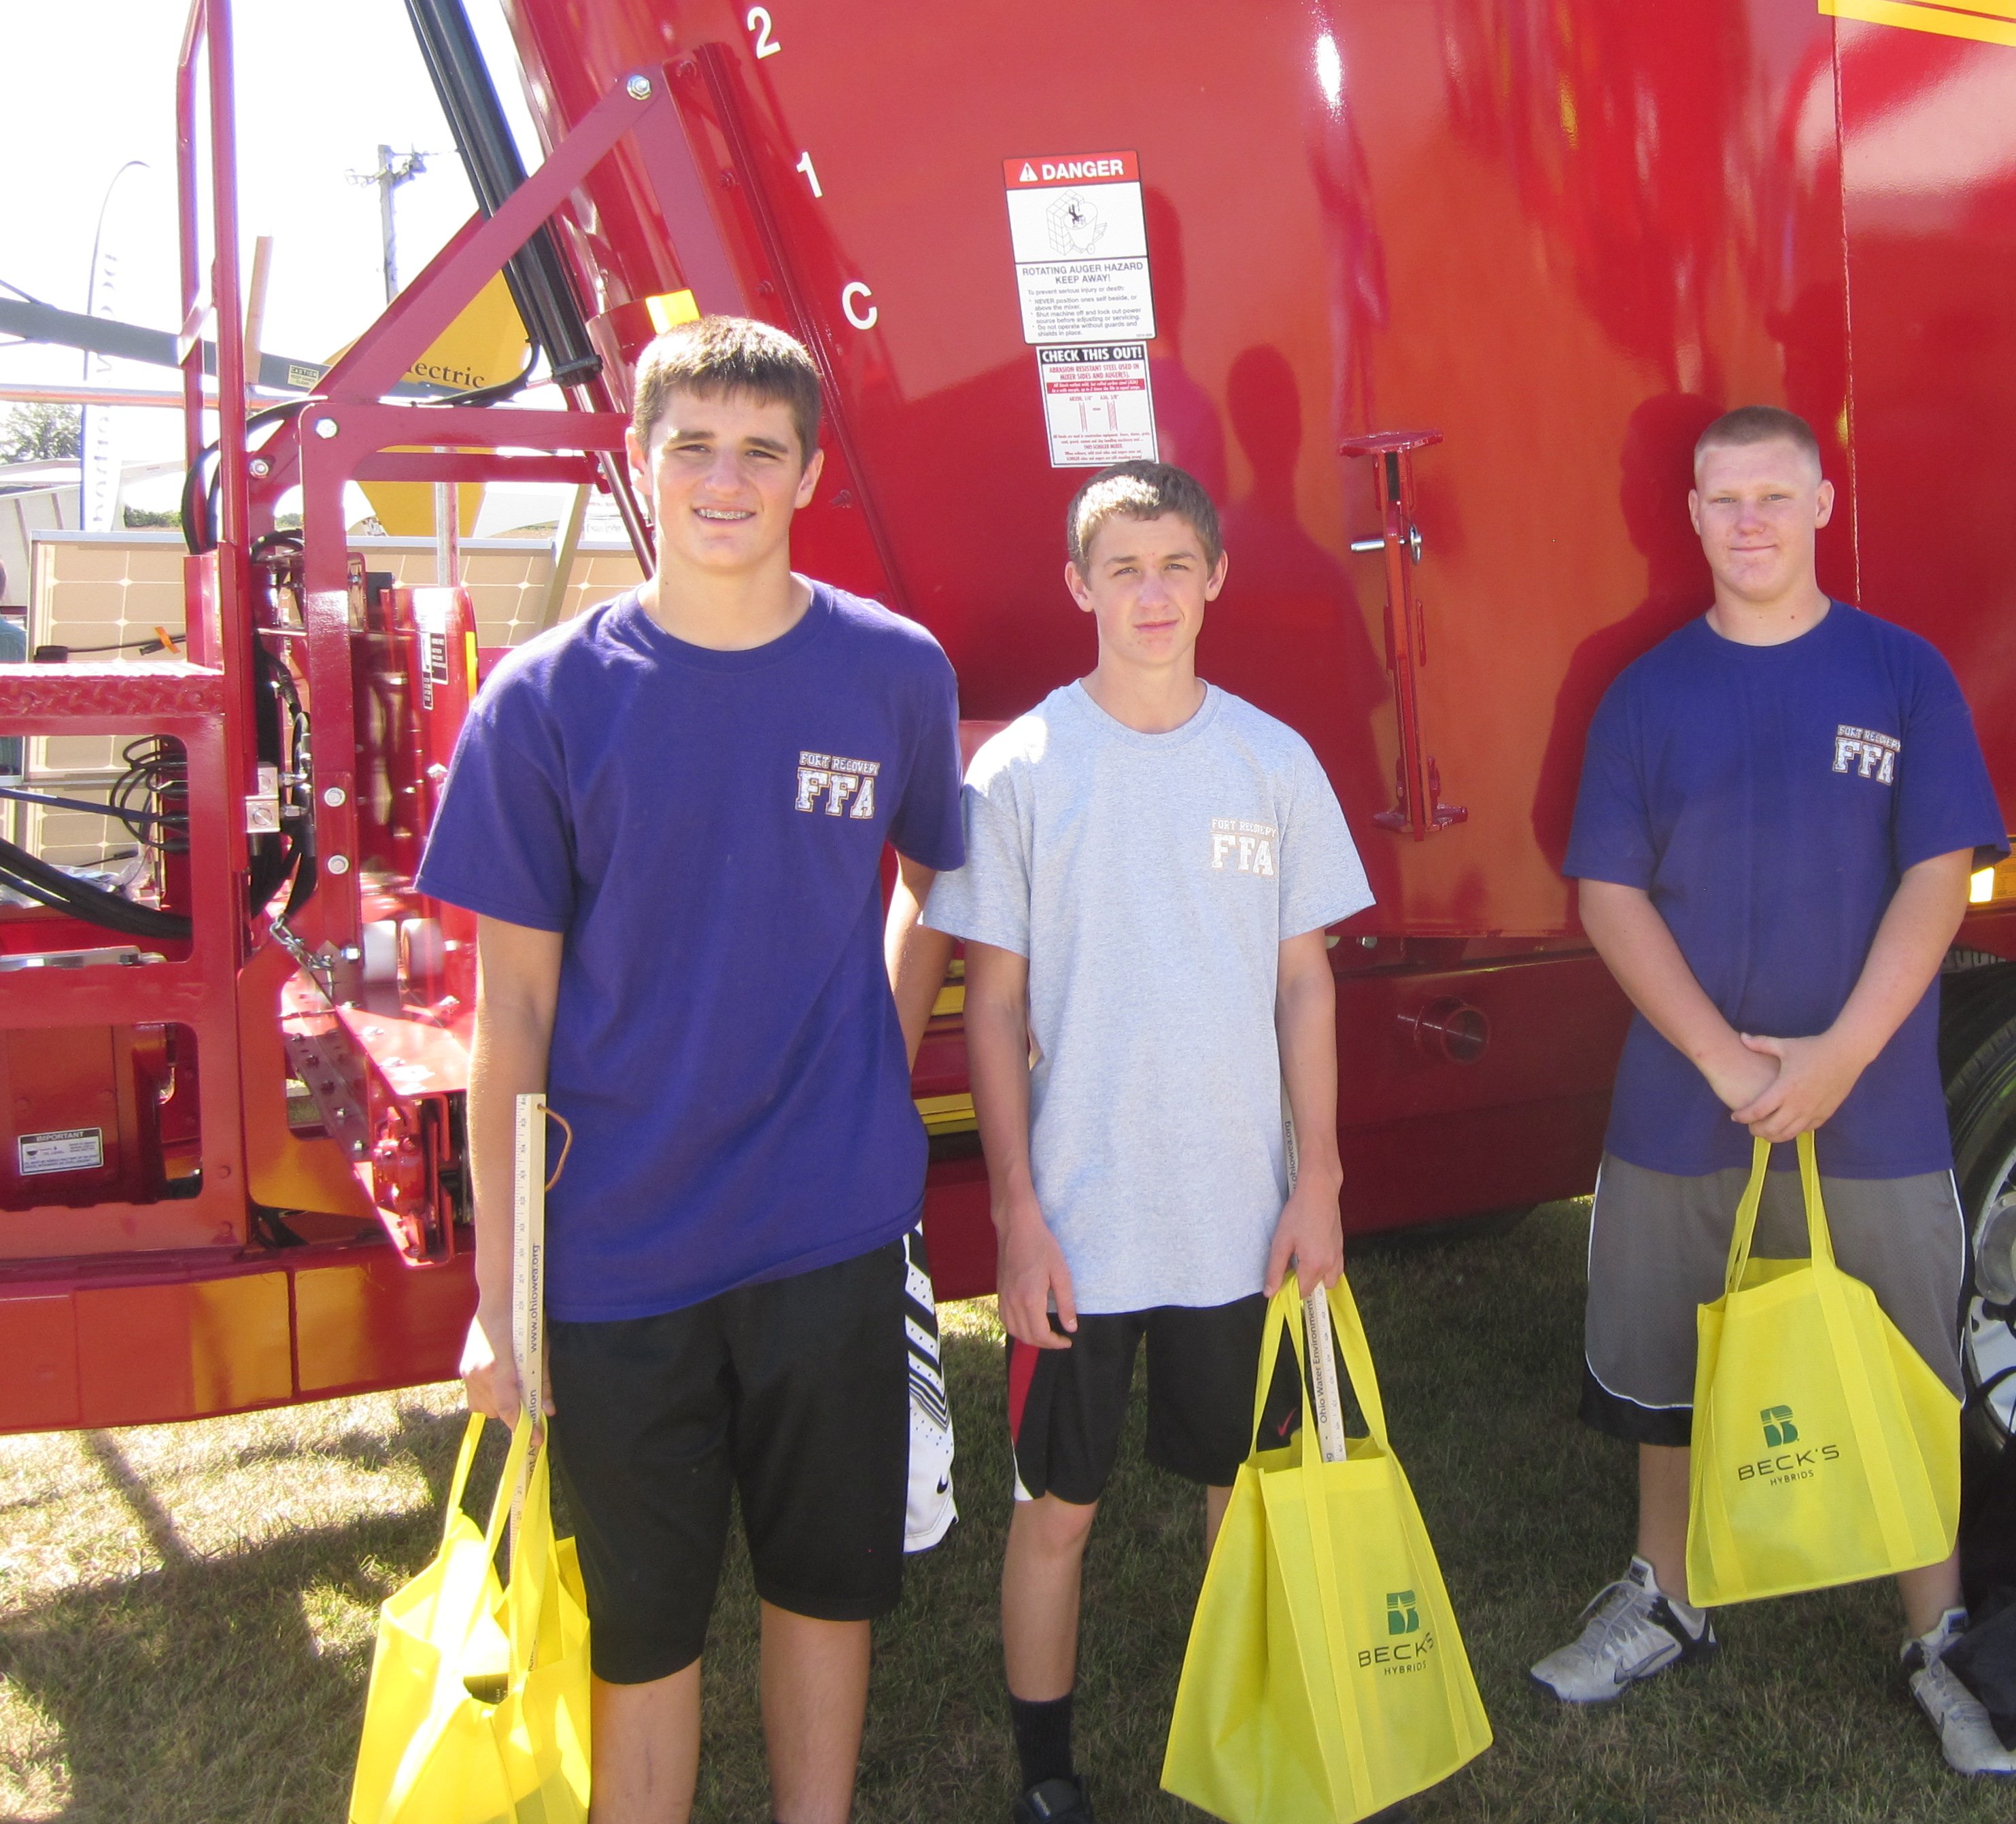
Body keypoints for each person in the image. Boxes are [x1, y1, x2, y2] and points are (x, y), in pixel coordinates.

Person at [422, 315, 965, 1824]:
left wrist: (873, 1005)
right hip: (620, 1253)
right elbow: (510, 1015)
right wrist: (501, 1296)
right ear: (640, 462)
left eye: (760, 452)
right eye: (693, 447)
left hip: (828, 1224)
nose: (726, 480)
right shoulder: (541, 702)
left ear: (806, 475)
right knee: (645, 1628)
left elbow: (935, 869)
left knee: (822, 1586)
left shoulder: (889, 671)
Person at [1535, 405, 2016, 1778]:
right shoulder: (1645, 693)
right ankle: (1665, 1592)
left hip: (1865, 1100)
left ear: (1820, 503)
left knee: (1907, 1365)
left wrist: (1838, 1057)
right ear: (1688, 518)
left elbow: (1942, 877)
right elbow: (1607, 892)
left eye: (1771, 494)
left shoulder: (1901, 675)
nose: (1745, 521)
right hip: (1683, 1094)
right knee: (1665, 1355)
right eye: (1719, 499)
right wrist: (1723, 1059)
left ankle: (1936, 1631)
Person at [922, 460, 1373, 1824]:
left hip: (1239, 1221)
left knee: (1239, 1499)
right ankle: (1047, 1779)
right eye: (1121, 568)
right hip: (1081, 1222)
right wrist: (1014, 1211)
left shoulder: (1270, 760)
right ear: (1078, 587)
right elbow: (989, 1005)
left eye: (1175, 565)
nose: (1151, 593)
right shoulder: (1019, 772)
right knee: (1056, 1510)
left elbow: (1305, 983)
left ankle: (1240, 1742)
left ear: (1214, 578)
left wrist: (1319, 1177)